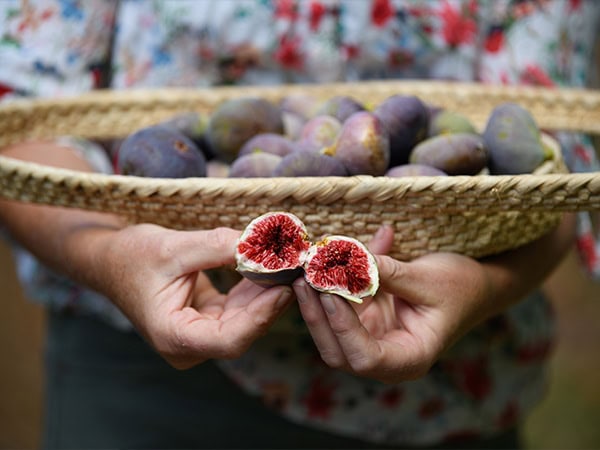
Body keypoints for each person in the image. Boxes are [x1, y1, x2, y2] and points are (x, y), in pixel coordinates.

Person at [0, 1, 598, 448]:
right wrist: (109, 257)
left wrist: (486, 290)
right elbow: (21, 118)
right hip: (142, 387)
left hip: (447, 398)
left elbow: (550, 171)